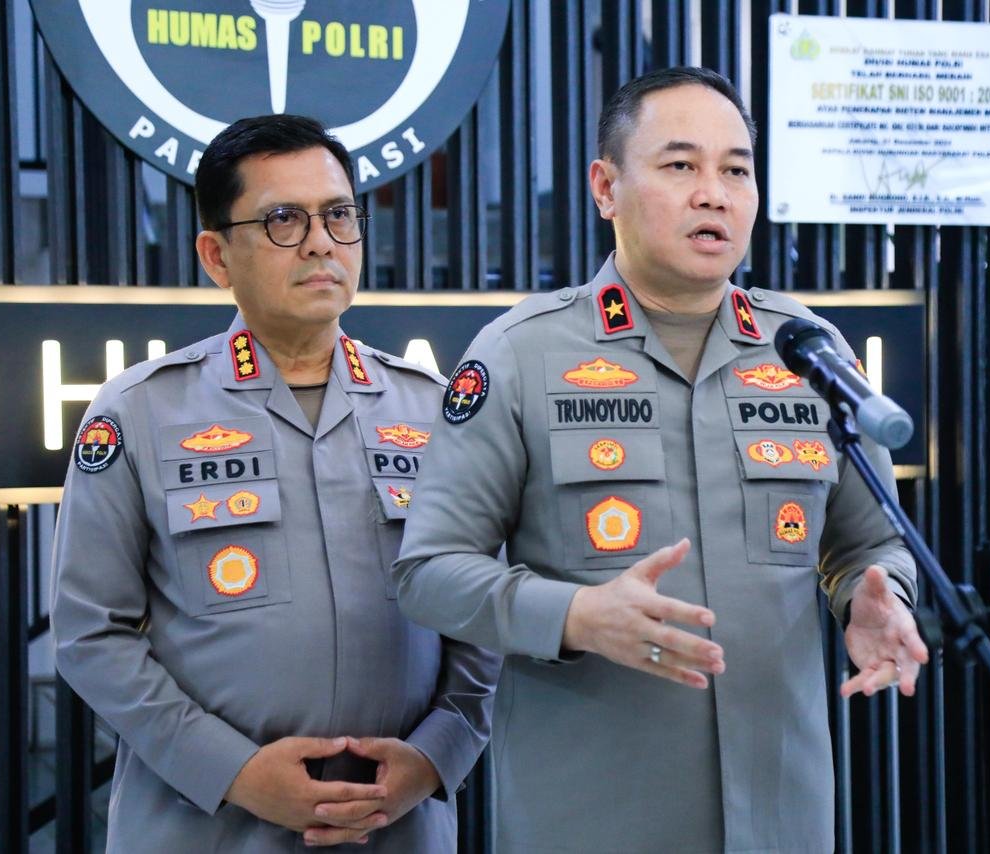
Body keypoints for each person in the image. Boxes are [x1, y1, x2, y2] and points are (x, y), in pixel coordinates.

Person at [392, 67, 928, 853]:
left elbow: (868, 544)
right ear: (605, 188)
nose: (714, 194)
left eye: (736, 170)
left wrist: (877, 598)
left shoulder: (808, 353)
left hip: (783, 814)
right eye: (681, 165)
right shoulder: (520, 354)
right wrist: (573, 615)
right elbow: (428, 571)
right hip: (588, 819)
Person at [50, 115, 500, 852]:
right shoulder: (140, 410)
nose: (321, 242)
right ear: (216, 255)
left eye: (338, 215)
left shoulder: (433, 409)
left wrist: (433, 758)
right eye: (283, 219)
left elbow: (481, 615)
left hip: (396, 827)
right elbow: (90, 634)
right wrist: (232, 771)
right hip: (205, 826)